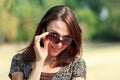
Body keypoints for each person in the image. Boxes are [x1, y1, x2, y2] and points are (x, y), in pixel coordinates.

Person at [9, 5, 86, 80]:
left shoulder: (76, 64)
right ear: (43, 31)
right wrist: (39, 61)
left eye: (67, 38)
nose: (59, 44)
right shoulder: (20, 60)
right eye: (54, 35)